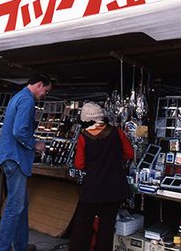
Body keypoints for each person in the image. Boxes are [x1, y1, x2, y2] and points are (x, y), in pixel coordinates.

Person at [0, 74, 53, 251]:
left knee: (21, 204)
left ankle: (20, 245)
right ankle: (3, 248)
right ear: (40, 84)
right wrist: (35, 144)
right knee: (15, 206)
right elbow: (19, 131)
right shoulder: (27, 101)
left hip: (10, 155)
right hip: (16, 157)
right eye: (46, 91)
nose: (45, 95)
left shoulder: (18, 97)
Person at [68, 102, 134, 251]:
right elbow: (129, 153)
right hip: (114, 186)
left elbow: (79, 164)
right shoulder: (117, 132)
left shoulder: (84, 137)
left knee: (83, 225)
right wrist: (114, 160)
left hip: (92, 187)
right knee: (107, 227)